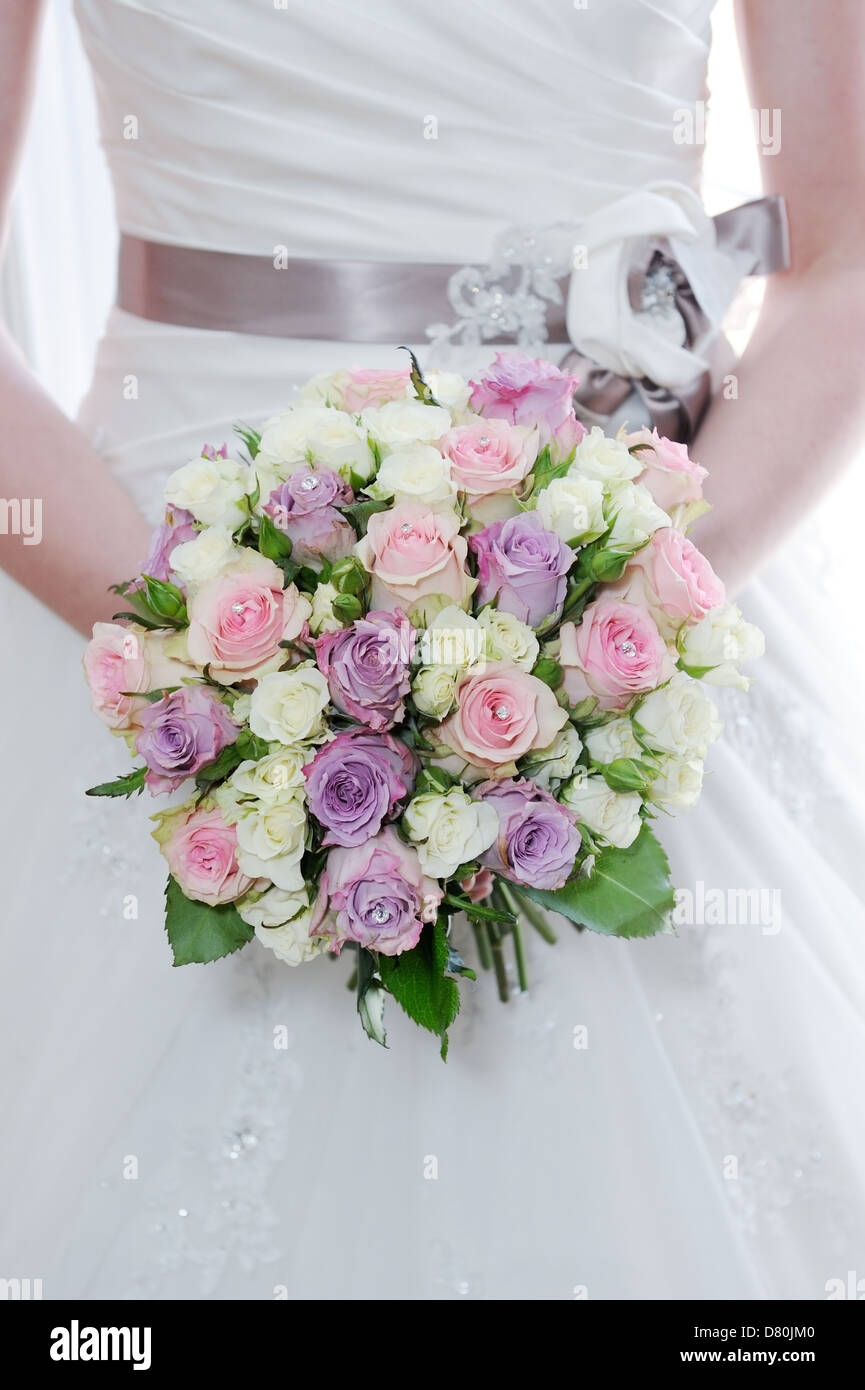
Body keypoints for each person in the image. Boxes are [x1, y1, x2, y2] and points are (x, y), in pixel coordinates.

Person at [1, 0, 863, 1299]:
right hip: (149, 566)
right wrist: (188, 643)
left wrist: (633, 610)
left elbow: (844, 239)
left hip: (654, 553)